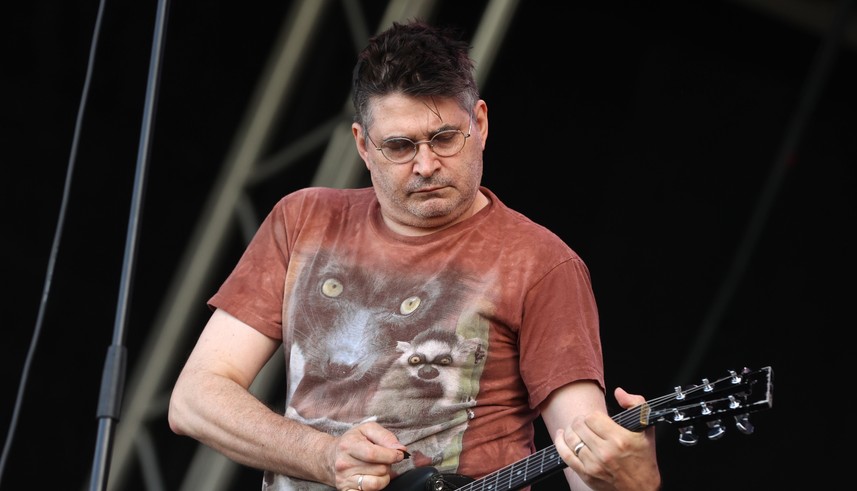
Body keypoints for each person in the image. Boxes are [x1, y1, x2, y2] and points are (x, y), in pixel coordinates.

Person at [168, 20, 661, 491]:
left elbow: (583, 454)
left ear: (481, 123)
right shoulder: (304, 220)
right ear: (363, 145)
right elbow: (195, 399)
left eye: (445, 138)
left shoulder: (541, 263)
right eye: (400, 147)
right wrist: (322, 455)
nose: (427, 165)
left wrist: (633, 478)